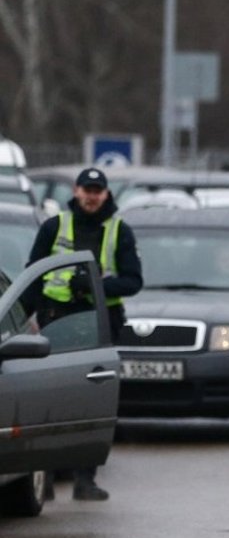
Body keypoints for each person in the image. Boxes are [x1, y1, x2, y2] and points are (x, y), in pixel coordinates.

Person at [27, 167, 143, 501]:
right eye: (87, 189)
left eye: (98, 191)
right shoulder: (54, 226)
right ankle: (44, 477)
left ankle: (85, 478)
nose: (92, 196)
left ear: (106, 194)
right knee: (49, 397)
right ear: (76, 191)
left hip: (99, 321)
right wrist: (26, 317)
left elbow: (133, 281)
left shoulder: (120, 230)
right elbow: (34, 274)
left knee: (92, 399)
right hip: (56, 320)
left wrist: (96, 287)